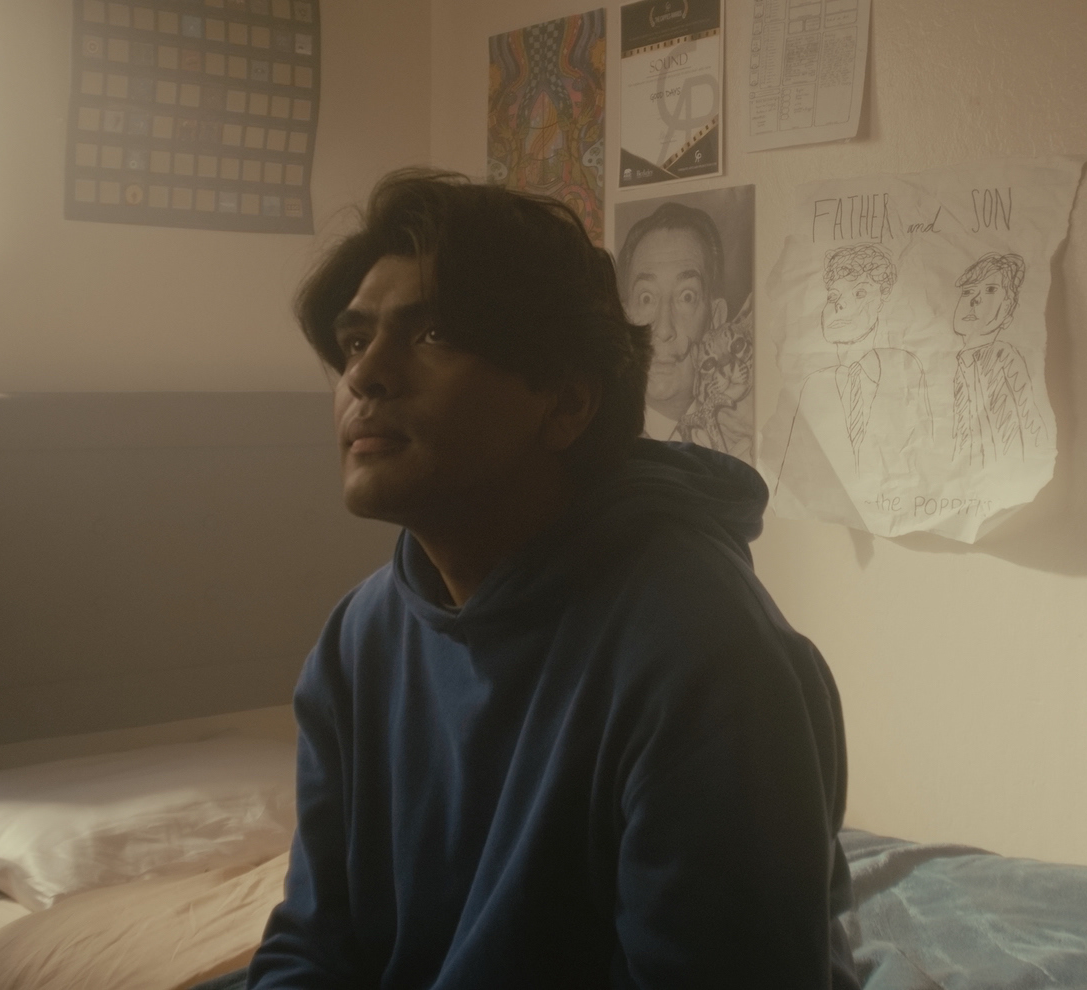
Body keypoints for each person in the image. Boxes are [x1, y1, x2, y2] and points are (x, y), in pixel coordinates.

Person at [247, 169, 857, 990]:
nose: (365, 375)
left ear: (566, 404)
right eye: (356, 342)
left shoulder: (703, 652)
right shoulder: (357, 642)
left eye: (433, 335)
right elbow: (313, 944)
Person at [770, 242, 930, 484]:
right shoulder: (813, 385)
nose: (839, 304)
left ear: (882, 299)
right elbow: (793, 476)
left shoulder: (905, 366)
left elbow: (927, 457)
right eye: (833, 296)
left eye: (860, 293)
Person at [617, 202, 753, 460]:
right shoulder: (597, 447)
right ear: (625, 319)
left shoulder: (747, 441)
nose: (664, 329)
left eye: (686, 296)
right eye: (646, 298)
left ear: (716, 317)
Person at [949, 252, 1049, 468]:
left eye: (991, 290)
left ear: (1007, 317)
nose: (975, 299)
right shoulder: (957, 363)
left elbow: (1030, 421)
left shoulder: (1003, 356)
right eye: (967, 291)